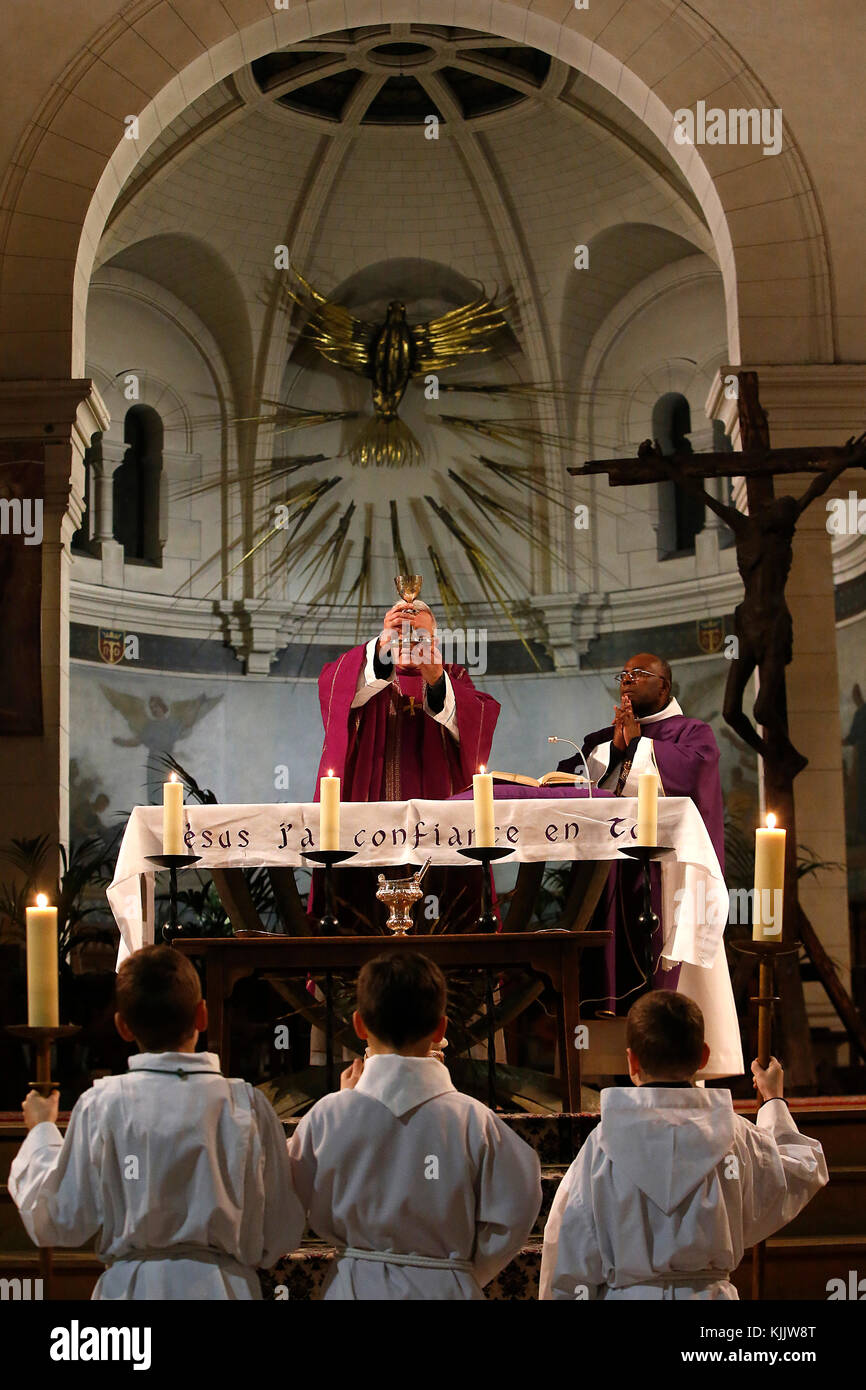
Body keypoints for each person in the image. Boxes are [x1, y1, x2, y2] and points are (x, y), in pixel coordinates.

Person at [9, 945, 304, 1299]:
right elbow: (281, 1230)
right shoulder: (248, 1104)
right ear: (202, 1015)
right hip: (224, 1288)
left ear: (122, 1026)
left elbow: (58, 1219)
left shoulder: (104, 1104)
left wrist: (42, 1131)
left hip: (133, 1288)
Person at [539, 991, 828, 1300]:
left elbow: (568, 1247)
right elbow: (802, 1170)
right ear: (704, 1056)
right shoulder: (735, 1136)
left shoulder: (601, 1146)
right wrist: (773, 1101)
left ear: (632, 1060)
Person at [288, 952, 542, 1299]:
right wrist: (462, 1273)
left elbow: (284, 1201)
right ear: (441, 1028)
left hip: (355, 1286)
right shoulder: (475, 1121)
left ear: (359, 1025)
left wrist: (345, 1103)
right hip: (448, 1288)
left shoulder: (327, 1116)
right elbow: (516, 1210)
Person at [558, 652, 731, 1055]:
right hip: (612, 876)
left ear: (664, 686)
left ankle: (682, 1062)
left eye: (639, 674)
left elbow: (695, 774)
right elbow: (568, 780)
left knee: (670, 972)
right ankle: (612, 1066)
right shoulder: (604, 738)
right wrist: (617, 751)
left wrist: (637, 745)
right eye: (623, 673)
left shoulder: (692, 733)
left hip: (669, 874)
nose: (627, 681)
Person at [310, 596, 501, 935]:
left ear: (436, 640)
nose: (410, 637)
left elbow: (477, 719)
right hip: (368, 824)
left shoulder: (452, 676)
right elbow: (333, 687)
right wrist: (381, 648)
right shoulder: (365, 674)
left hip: (441, 828)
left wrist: (436, 681)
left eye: (420, 631)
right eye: (401, 629)